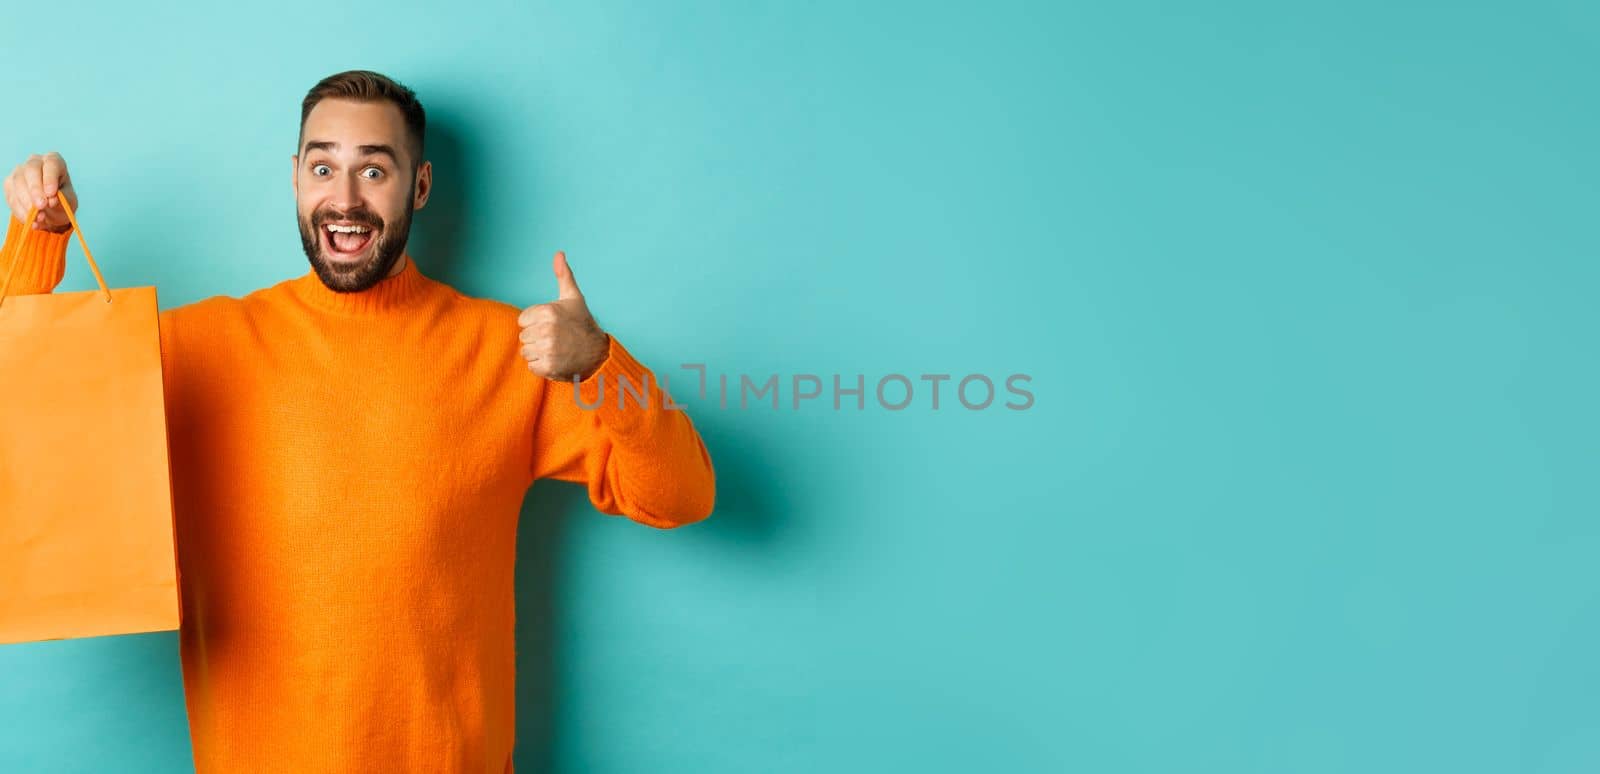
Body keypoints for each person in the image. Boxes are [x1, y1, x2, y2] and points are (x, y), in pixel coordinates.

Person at [0, 69, 716, 773]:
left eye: (374, 172)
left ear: (421, 186)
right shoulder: (201, 346)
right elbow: (20, 405)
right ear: (294, 178)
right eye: (322, 167)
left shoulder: (514, 352)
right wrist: (37, 238)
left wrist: (599, 364)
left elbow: (681, 495)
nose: (343, 199)